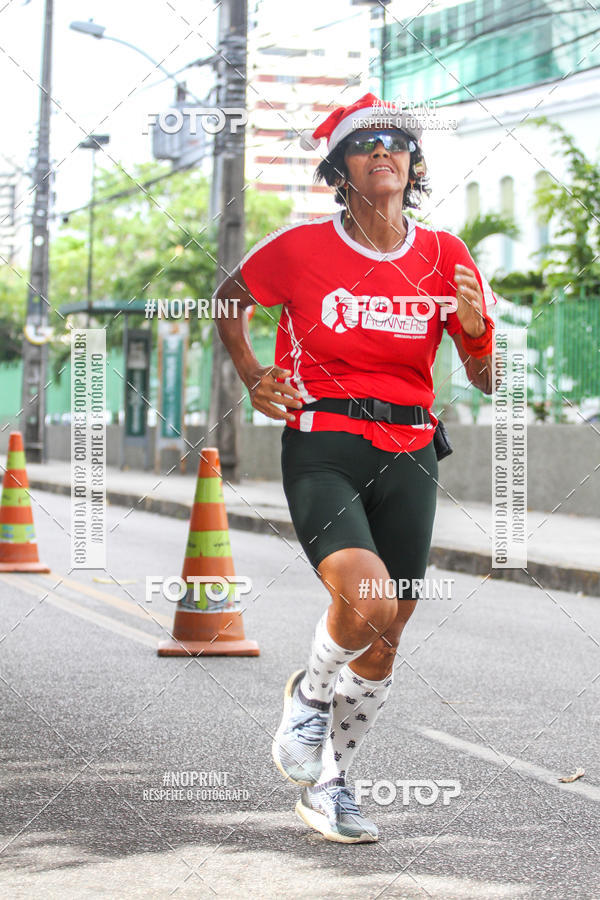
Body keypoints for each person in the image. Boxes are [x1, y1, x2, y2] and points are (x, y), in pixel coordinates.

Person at [214, 93, 496, 843]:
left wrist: (473, 336)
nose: (384, 151)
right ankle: (307, 698)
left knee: (388, 631)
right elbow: (228, 298)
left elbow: (489, 376)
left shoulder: (446, 255)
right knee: (366, 595)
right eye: (366, 142)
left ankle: (332, 783)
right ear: (339, 168)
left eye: (398, 142)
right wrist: (252, 376)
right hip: (326, 444)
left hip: (412, 450)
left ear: (414, 165)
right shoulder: (301, 248)